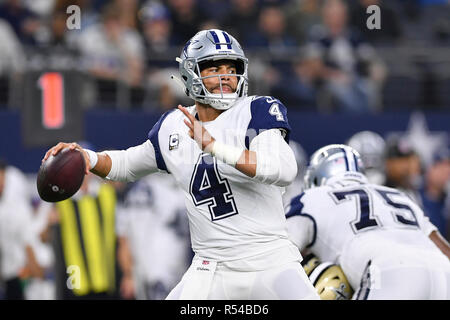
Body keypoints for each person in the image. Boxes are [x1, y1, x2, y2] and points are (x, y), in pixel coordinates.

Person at [43, 29, 319, 300]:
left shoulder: (256, 110)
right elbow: (127, 164)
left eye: (230, 68)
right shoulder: (174, 126)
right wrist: (85, 157)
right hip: (212, 266)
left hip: (270, 259)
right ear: (191, 73)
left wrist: (215, 147)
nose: (225, 77)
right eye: (213, 69)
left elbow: (282, 170)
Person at [285, 144, 450, 299]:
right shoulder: (400, 196)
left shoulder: (310, 199)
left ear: (315, 178)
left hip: (389, 271)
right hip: (443, 272)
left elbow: (277, 253)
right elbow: (444, 250)